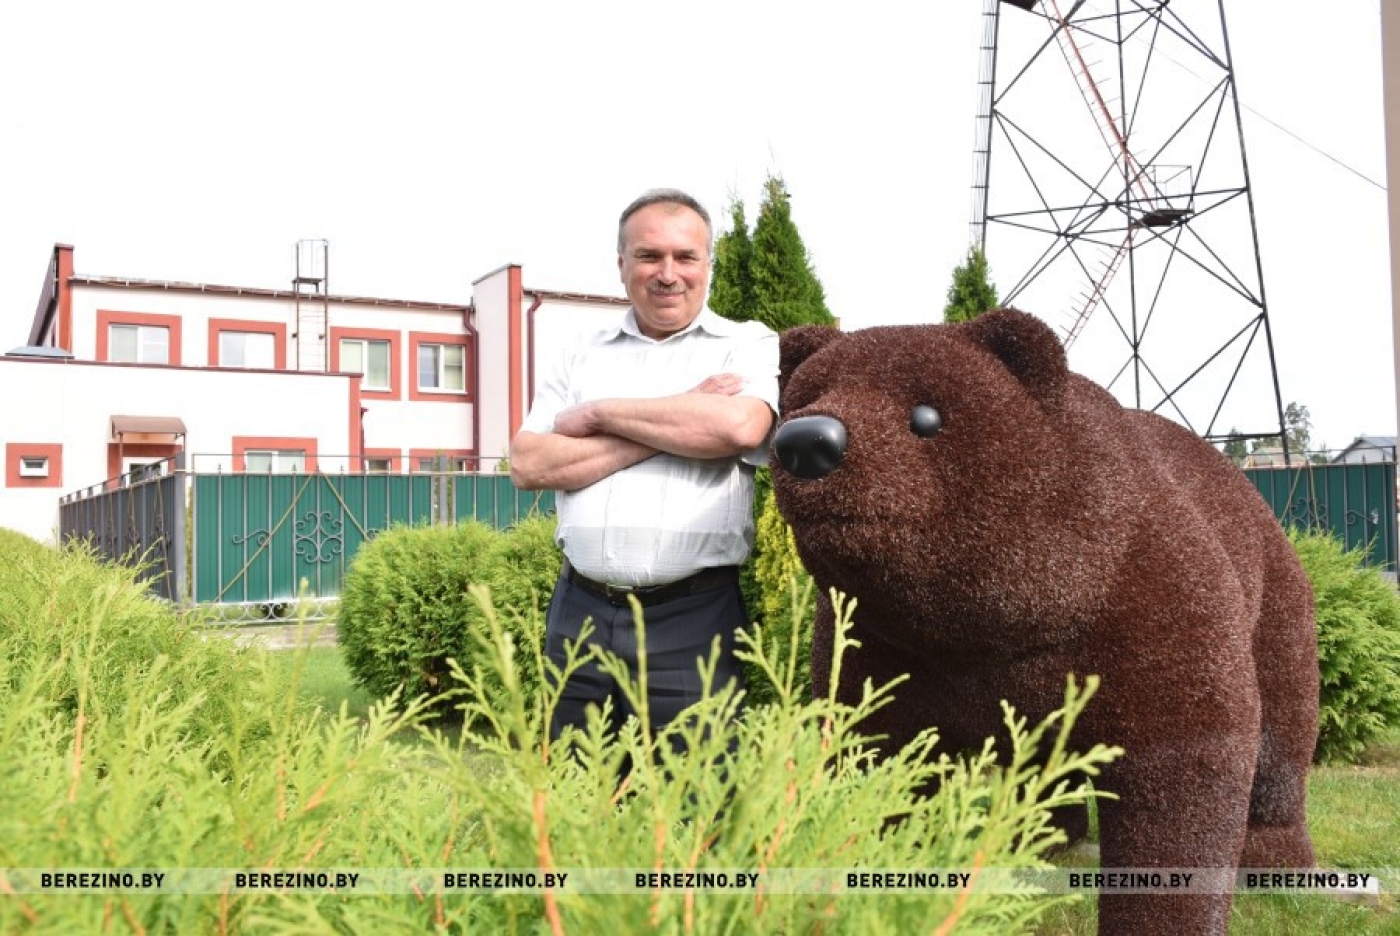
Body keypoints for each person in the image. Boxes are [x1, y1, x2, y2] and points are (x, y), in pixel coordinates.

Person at [509, 188, 778, 750]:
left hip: (694, 616)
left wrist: (600, 414)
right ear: (622, 265)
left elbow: (736, 430)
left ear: (709, 264)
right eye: (649, 256)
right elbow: (530, 462)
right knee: (575, 797)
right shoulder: (579, 352)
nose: (668, 274)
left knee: (695, 805)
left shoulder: (746, 344)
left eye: (686, 257)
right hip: (578, 612)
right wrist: (681, 409)